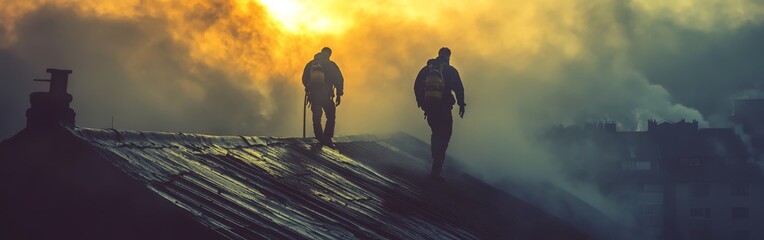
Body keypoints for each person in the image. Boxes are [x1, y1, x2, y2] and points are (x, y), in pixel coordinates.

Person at [414, 47, 466, 181]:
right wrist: (461, 104)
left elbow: (416, 86)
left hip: (430, 109)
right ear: (448, 56)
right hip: (444, 109)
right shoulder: (450, 71)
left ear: (438, 55)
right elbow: (459, 88)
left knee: (436, 133)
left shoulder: (426, 70)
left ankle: (435, 159)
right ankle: (436, 167)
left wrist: (422, 103)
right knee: (445, 135)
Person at [302, 47, 344, 148]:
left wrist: (309, 88)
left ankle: (319, 138)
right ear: (329, 54)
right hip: (326, 94)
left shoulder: (310, 64)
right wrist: (339, 94)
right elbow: (339, 79)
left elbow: (304, 79)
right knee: (330, 116)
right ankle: (327, 138)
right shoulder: (331, 65)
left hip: (314, 96)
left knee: (316, 117)